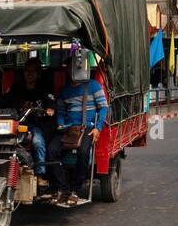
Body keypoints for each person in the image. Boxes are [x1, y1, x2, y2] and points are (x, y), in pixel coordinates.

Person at [48, 51, 109, 207]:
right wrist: (60, 124)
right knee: (52, 150)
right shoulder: (64, 90)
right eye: (70, 67)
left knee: (83, 153)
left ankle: (75, 190)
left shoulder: (94, 86)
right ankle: (62, 188)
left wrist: (98, 128)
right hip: (68, 129)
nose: (72, 69)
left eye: (75, 66)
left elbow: (103, 108)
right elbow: (61, 111)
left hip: (87, 128)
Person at [8, 57, 55, 186]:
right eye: (27, 71)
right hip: (17, 122)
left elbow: (51, 102)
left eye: (33, 71)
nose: (29, 73)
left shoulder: (45, 88)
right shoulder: (16, 87)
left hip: (36, 124)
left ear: (39, 74)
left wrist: (50, 109)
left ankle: (40, 174)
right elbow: (5, 100)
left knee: (38, 142)